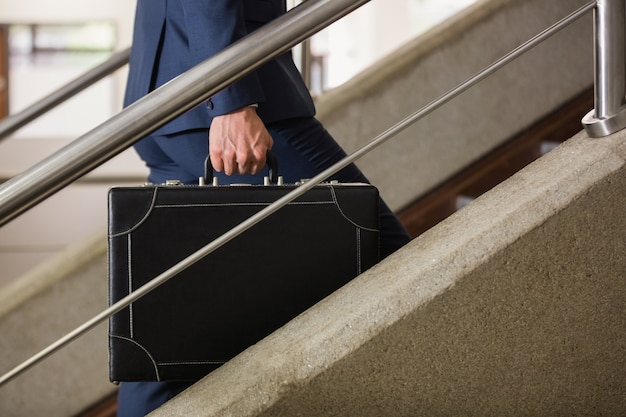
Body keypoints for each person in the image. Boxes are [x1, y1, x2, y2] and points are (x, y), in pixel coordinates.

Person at [117, 0, 411, 415]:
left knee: (165, 331)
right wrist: (231, 100)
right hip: (224, 99)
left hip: (165, 96)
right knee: (394, 259)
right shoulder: (229, 102)